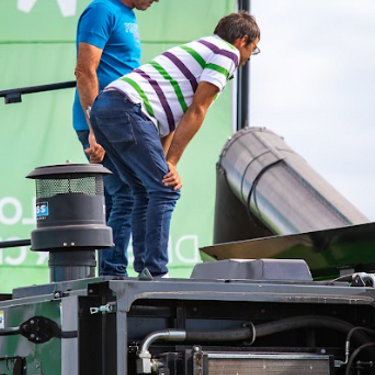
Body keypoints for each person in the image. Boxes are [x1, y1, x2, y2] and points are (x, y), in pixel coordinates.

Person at [89, 11, 261, 277]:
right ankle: (155, 272)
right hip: (128, 109)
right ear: (242, 40)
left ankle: (115, 272)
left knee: (143, 191)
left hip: (105, 107)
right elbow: (197, 110)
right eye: (254, 49)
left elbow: (167, 123)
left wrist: (164, 158)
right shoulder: (227, 53)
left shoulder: (200, 48)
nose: (248, 59)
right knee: (166, 189)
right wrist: (171, 163)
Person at [73, 0, 161, 276]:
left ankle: (111, 271)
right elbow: (85, 71)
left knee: (117, 198)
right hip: (103, 122)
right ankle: (113, 273)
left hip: (120, 120)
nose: (156, 1)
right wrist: (94, 129)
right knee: (126, 194)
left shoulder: (128, 14)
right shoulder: (102, 9)